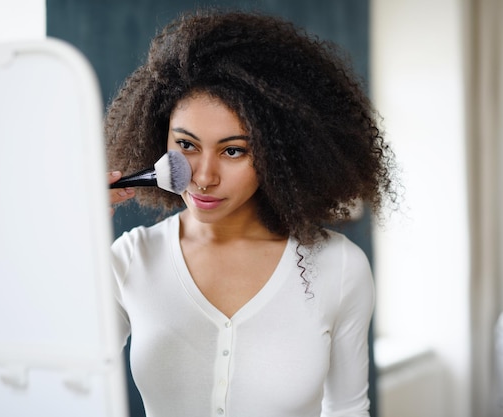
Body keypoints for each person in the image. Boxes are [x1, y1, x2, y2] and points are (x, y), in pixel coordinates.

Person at [106, 8, 396, 417]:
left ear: (279, 154)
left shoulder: (339, 268)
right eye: (186, 145)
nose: (203, 177)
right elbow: (61, 374)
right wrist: (71, 228)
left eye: (234, 151)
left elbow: (347, 410)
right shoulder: (132, 259)